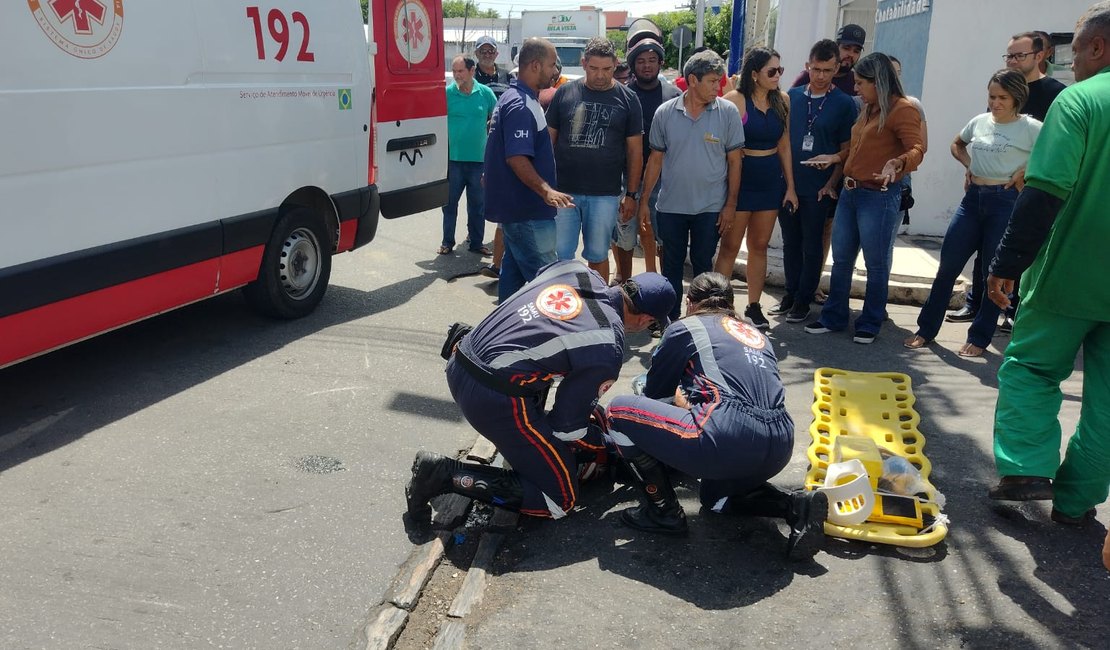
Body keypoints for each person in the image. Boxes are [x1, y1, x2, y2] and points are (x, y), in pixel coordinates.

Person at [403, 260, 676, 542]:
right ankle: (442, 474)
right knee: (559, 499)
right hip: (491, 397)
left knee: (569, 403)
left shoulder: (575, 269)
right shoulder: (608, 344)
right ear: (645, 319)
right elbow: (567, 428)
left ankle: (525, 449)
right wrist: (611, 447)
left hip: (462, 355)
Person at [985, 1, 1110, 528]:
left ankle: (1026, 470)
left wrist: (1007, 262)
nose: (1069, 64)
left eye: (1074, 52)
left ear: (1098, 46)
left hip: (1070, 273)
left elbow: (1044, 191)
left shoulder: (1081, 100)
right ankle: (1077, 500)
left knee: (1032, 368)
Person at [604, 272, 828, 560]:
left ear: (689, 303)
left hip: (728, 437)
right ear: (731, 304)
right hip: (780, 443)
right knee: (716, 500)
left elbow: (655, 395)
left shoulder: (686, 327)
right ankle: (794, 506)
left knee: (619, 412)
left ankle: (662, 511)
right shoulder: (757, 335)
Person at [904, 69, 1040, 357]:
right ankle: (925, 330)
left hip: (1005, 202)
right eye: (992, 96)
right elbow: (957, 144)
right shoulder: (979, 121)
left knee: (993, 271)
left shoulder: (1031, 128)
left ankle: (979, 337)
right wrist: (969, 165)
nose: (995, 103)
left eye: (1003, 97)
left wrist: (1026, 170)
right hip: (972, 200)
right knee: (947, 267)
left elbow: (1052, 154)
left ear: (1017, 98)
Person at [803, 53, 924, 344]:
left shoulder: (903, 109)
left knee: (875, 264)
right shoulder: (868, 108)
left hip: (878, 196)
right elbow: (859, 148)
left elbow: (917, 149)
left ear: (877, 81)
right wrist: (835, 157)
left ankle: (869, 322)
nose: (855, 88)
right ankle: (834, 317)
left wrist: (898, 163)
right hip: (850, 192)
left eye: (860, 83)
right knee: (842, 260)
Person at [953, 30, 1068, 329]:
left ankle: (1013, 310)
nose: (1012, 61)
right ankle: (976, 304)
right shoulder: (1000, 86)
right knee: (986, 249)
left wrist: (1027, 169)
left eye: (1019, 55)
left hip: (1031, 189)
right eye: (1009, 55)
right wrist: (972, 165)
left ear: (1040, 55)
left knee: (1023, 247)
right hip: (989, 189)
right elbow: (986, 134)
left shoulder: (1057, 93)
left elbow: (1057, 143)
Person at [640, 50, 743, 324]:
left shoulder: (727, 112)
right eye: (712, 80)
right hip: (671, 206)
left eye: (719, 80)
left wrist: (731, 205)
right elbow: (655, 160)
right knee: (671, 268)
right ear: (693, 80)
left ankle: (701, 323)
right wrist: (644, 202)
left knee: (703, 268)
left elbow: (735, 162)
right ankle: (670, 322)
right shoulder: (665, 113)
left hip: (710, 208)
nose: (718, 86)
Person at [773, 39, 857, 326]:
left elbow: (847, 150)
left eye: (828, 70)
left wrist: (831, 182)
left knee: (812, 245)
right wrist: (786, 182)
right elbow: (781, 141)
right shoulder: (791, 97)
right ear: (807, 66)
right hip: (789, 184)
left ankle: (803, 299)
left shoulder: (844, 104)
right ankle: (789, 293)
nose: (821, 76)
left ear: (837, 69)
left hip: (819, 188)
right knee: (790, 242)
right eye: (816, 69)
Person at [484, 38, 574, 303]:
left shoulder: (514, 98)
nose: (555, 71)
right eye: (552, 65)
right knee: (548, 289)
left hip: (519, 213)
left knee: (512, 281)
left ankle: (503, 326)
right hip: (528, 214)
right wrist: (546, 191)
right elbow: (516, 157)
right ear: (535, 65)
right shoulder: (520, 105)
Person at [547, 38, 644, 282]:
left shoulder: (628, 99)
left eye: (607, 69)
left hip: (605, 194)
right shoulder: (564, 93)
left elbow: (635, 151)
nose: (600, 75)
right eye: (593, 68)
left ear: (616, 64)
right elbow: (548, 142)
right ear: (583, 64)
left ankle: (598, 302)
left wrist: (631, 194)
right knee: (560, 256)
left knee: (598, 255)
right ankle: (563, 303)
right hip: (563, 192)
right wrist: (545, 187)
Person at [715, 48, 798, 329]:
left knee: (759, 246)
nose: (777, 76)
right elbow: (719, 142)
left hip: (769, 181)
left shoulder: (782, 100)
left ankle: (753, 305)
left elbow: (785, 145)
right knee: (729, 246)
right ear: (754, 74)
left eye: (779, 70)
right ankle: (718, 305)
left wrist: (790, 187)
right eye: (771, 71)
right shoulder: (735, 100)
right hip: (740, 181)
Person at [611, 38, 679, 296]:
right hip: (626, 175)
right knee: (623, 231)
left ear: (661, 63)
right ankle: (625, 284)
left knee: (659, 233)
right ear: (632, 65)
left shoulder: (674, 95)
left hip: (663, 177)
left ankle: (656, 284)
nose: (647, 66)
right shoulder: (622, 95)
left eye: (652, 60)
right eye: (640, 61)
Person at [440, 54, 497, 257]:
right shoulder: (447, 94)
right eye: (454, 71)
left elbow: (498, 118)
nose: (456, 75)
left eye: (460, 71)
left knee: (477, 206)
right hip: (453, 161)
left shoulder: (485, 93)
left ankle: (476, 243)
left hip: (479, 162)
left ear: (472, 71)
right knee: (449, 205)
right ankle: (447, 242)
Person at [791, 24, 866, 97]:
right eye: (846, 48)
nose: (851, 54)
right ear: (836, 47)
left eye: (856, 51)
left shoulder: (857, 83)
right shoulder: (808, 77)